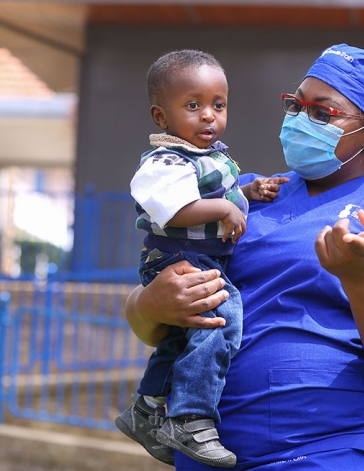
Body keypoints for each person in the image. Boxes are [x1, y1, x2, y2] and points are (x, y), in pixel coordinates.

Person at [123, 44, 364, 470]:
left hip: (327, 453)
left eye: (323, 113)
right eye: (296, 105)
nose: (302, 120)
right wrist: (148, 304)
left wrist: (361, 278)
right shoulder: (244, 194)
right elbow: (150, 316)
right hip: (207, 455)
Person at [114, 49, 288, 468]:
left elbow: (218, 193)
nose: (208, 115)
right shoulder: (163, 162)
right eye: (193, 106)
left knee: (181, 337)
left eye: (218, 105)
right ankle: (191, 418)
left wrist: (246, 193)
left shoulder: (212, 158)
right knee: (221, 321)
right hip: (177, 258)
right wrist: (225, 210)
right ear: (162, 117)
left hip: (201, 258)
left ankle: (146, 408)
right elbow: (175, 210)